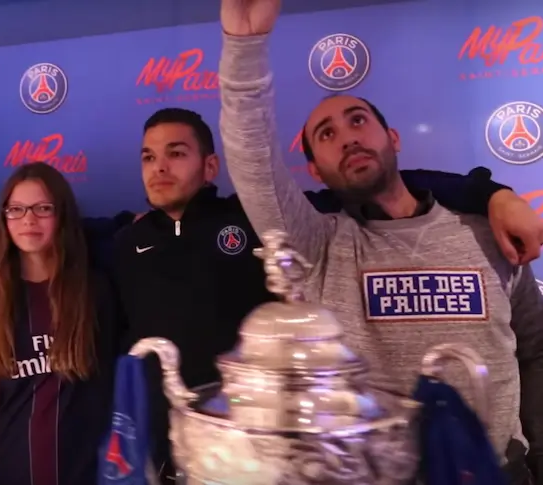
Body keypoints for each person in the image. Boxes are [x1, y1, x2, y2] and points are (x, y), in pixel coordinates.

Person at [0, 108, 543, 484]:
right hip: (171, 456)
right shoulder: (124, 239)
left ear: (210, 164)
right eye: (148, 156)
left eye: (176, 153)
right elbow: (47, 227)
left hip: (266, 456)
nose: (159, 167)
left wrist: (486, 191)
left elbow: (374, 183)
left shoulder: (264, 221)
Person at [216, 1, 543, 483]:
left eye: (357, 120)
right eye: (326, 134)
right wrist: (244, 46)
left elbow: (535, 350)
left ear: (391, 136)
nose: (347, 138)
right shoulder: (319, 246)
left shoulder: (488, 234)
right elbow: (255, 166)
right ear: (315, 170)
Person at [0, 163, 118, 485]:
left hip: (83, 469)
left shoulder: (94, 290)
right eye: (16, 210)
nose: (28, 220)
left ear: (61, 214)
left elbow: (111, 383)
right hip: (8, 467)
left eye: (43, 208)